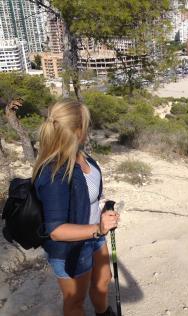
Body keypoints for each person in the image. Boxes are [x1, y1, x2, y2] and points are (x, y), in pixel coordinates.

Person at [33, 100, 119, 316]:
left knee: (103, 281)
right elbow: (55, 230)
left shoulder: (82, 156)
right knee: (75, 301)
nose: (89, 129)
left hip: (94, 235)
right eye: (87, 125)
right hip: (71, 247)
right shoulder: (54, 173)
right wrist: (98, 229)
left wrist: (103, 207)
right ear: (78, 131)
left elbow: (87, 195)